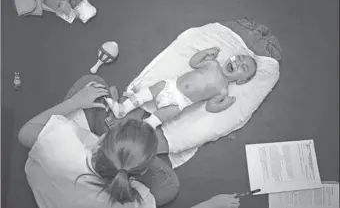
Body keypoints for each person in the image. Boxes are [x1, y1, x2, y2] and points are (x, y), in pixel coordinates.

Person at [18, 75, 241, 208]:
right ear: (139, 174)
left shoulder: (62, 142)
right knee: (169, 186)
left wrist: (75, 103)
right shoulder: (136, 202)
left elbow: (24, 133)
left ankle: (105, 114)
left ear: (103, 138)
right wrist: (211, 205)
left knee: (91, 82)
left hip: (46, 188)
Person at [106, 47, 257, 129]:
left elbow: (210, 107)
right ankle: (122, 109)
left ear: (241, 81)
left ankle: (144, 128)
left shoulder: (223, 90)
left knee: (169, 113)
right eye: (238, 58)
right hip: (170, 85)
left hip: (180, 102)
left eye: (243, 68)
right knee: (154, 89)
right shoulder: (213, 64)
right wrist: (205, 53)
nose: (237, 63)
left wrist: (225, 103)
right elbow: (194, 63)